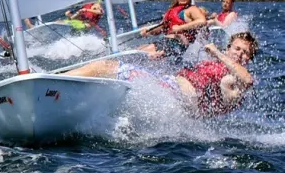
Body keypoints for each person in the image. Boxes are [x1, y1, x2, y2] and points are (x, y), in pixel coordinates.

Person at [64, 31, 258, 118]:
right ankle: (67, 87)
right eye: (237, 49)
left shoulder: (237, 78)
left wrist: (217, 52)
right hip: (169, 86)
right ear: (229, 47)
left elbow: (247, 80)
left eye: (245, 53)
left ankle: (61, 81)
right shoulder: (223, 65)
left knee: (105, 66)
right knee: (110, 72)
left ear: (249, 59)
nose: (239, 54)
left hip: (174, 95)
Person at [138, 0, 207, 59]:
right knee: (140, 49)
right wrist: (148, 32)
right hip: (166, 41)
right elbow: (161, 28)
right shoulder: (171, 10)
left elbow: (202, 21)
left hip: (178, 43)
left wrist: (180, 27)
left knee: (148, 52)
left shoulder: (192, 9)